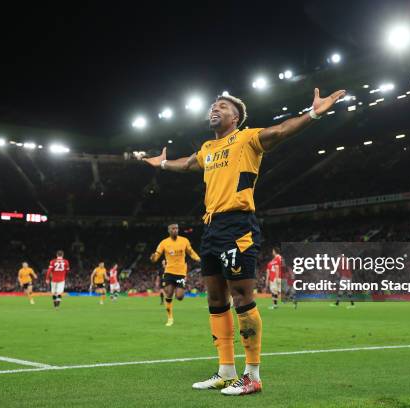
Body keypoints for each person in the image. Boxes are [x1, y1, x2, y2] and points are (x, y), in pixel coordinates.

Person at [144, 88, 345, 395]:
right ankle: (226, 370)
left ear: (234, 116)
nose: (214, 109)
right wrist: (161, 164)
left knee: (241, 297)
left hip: (237, 224)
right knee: (215, 300)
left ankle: (252, 375)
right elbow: (186, 164)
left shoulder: (247, 138)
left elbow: (280, 131)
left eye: (221, 106)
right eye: (213, 105)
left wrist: (314, 112)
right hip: (211, 228)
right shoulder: (208, 148)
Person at [150, 223, 200, 326]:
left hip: (181, 273)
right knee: (168, 293)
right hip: (169, 272)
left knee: (180, 296)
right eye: (173, 229)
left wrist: (198, 258)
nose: (175, 230)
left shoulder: (184, 241)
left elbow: (191, 252)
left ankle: (177, 295)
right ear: (169, 231)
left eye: (176, 228)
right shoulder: (164, 243)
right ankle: (170, 318)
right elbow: (157, 255)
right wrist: (153, 258)